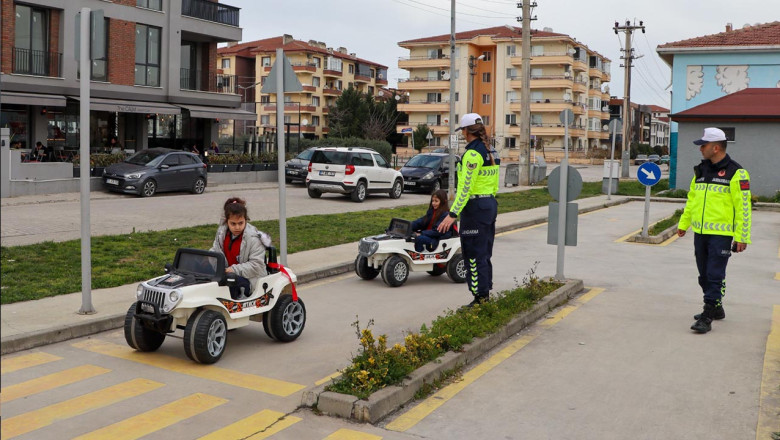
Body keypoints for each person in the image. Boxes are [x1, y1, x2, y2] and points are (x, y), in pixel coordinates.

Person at [677, 127, 751, 334]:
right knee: (703, 275)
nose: (701, 149)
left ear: (716, 148)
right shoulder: (701, 170)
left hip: (721, 234)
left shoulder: (737, 172)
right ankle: (717, 308)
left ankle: (707, 315)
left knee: (714, 274)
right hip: (701, 233)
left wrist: (742, 236)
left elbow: (743, 208)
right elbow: (692, 199)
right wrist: (684, 223)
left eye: (704, 145)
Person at [437, 113, 500, 307]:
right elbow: (494, 185)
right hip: (488, 204)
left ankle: (479, 298)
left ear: (466, 131)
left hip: (475, 209)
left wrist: (452, 214)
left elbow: (465, 189)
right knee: (484, 254)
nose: (462, 134)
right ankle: (485, 295)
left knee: (473, 255)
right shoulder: (491, 150)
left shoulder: (472, 154)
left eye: (463, 130)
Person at [210, 197, 273, 300]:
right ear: (226, 222)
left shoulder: (253, 238)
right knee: (207, 279)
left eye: (240, 223)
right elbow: (215, 251)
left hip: (251, 279)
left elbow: (257, 265)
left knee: (230, 282)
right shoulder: (221, 234)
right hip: (228, 274)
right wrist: (207, 261)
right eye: (233, 224)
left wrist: (233, 270)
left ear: (245, 220)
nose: (237, 227)